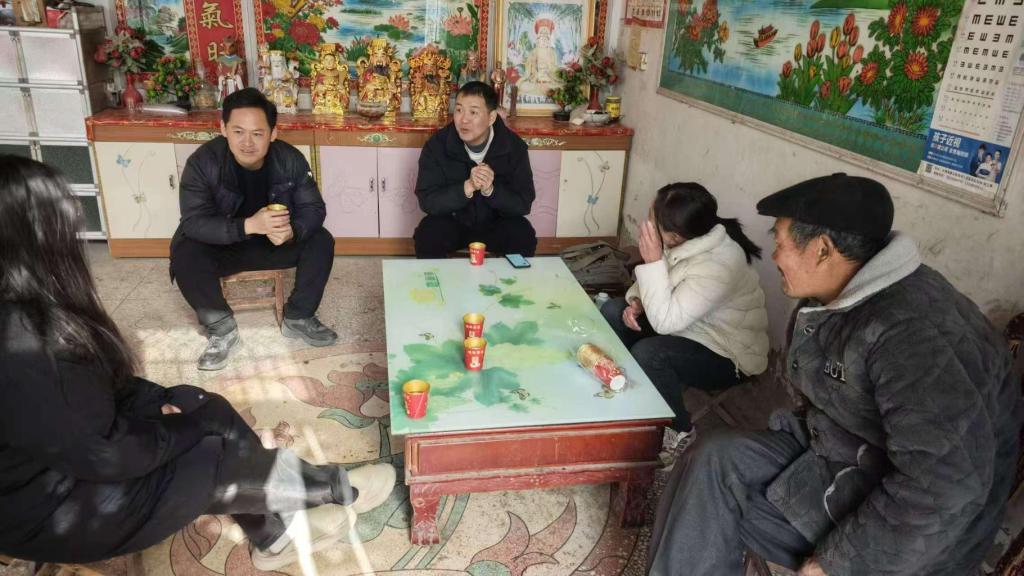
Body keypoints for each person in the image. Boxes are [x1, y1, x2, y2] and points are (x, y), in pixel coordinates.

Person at [0, 155, 397, 571]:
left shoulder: (37, 312)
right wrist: (181, 430)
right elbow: (105, 455)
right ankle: (337, 489)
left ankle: (271, 536)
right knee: (209, 456)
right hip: (49, 506)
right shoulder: (25, 338)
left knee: (205, 406)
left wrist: (160, 403)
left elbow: (102, 394)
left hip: (77, 455)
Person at [648, 173, 1023, 576]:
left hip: (914, 535)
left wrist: (833, 562)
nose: (774, 256)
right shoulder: (839, 297)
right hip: (842, 455)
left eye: (780, 242)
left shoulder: (916, 336)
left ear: (823, 250)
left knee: (711, 508)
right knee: (711, 458)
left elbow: (942, 489)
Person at [170, 88, 337, 371]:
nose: (247, 143)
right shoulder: (202, 162)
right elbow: (194, 222)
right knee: (185, 251)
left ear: (273, 133)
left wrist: (293, 231)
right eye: (238, 132)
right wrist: (249, 225)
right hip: (223, 247)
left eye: (257, 133)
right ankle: (222, 330)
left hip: (274, 244)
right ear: (223, 128)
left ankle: (299, 317)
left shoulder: (290, 158)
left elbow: (314, 208)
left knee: (321, 240)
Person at [600, 183, 768, 460]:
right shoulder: (682, 240)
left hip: (725, 353)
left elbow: (665, 322)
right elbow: (657, 288)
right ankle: (628, 391)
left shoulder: (720, 264)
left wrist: (652, 262)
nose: (646, 223)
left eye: (652, 217)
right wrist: (636, 303)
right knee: (613, 310)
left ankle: (678, 432)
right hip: (686, 326)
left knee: (651, 354)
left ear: (675, 236)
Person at [413, 81, 537, 258]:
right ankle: (435, 277)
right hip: (454, 223)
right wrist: (467, 187)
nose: (463, 119)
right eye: (459, 110)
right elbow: (427, 201)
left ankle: (513, 277)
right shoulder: (437, 146)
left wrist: (491, 190)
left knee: (522, 234)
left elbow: (523, 204)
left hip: (497, 224)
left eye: (473, 112)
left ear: (491, 117)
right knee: (428, 233)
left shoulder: (514, 147)